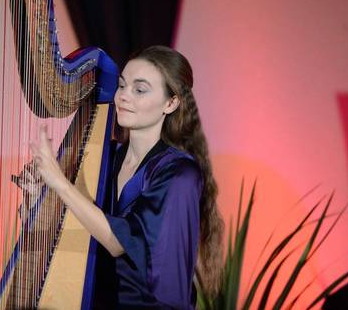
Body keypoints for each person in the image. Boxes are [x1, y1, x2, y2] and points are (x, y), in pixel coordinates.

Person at [30, 45, 223, 309]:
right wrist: (39, 199)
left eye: (139, 90)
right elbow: (77, 227)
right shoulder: (106, 158)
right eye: (122, 86)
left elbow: (117, 242)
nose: (123, 97)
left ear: (171, 103)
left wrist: (60, 183)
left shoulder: (180, 174)